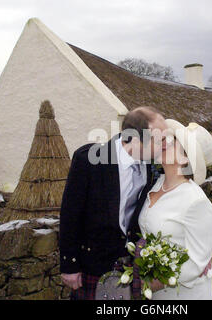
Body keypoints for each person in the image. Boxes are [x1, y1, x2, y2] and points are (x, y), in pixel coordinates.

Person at [59, 106, 168, 299]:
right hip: (92, 265)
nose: (164, 144)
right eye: (158, 139)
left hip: (129, 265)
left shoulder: (149, 167)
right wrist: (69, 264)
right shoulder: (89, 160)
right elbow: (70, 214)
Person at [137, 119, 212, 300]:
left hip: (183, 295)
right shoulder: (155, 185)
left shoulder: (196, 201)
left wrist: (152, 283)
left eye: (172, 142)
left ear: (185, 158)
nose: (163, 143)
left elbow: (197, 263)